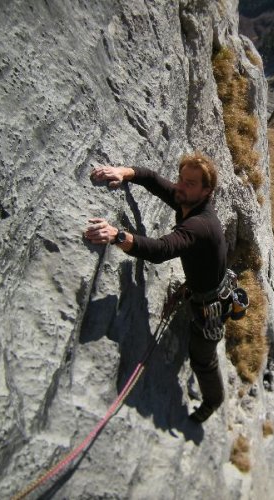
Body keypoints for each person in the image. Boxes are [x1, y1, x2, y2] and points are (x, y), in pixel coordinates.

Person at [84, 152, 228, 423]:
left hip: (211, 305)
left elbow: (162, 250)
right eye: (181, 179)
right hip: (201, 285)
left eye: (190, 183)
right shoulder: (187, 199)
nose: (180, 187)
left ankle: (213, 400)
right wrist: (123, 172)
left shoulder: (199, 224)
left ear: (207, 191)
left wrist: (118, 235)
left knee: (202, 358)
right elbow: (151, 178)